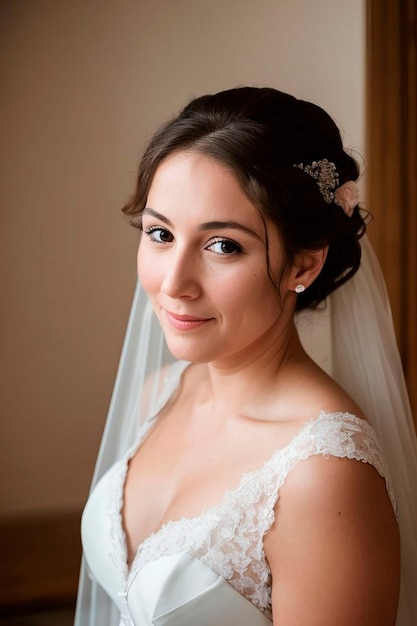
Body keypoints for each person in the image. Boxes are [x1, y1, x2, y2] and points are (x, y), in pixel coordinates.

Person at [75, 87, 417, 626]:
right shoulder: (160, 394)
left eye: (223, 245)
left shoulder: (323, 474)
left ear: (303, 265)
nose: (174, 283)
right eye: (160, 233)